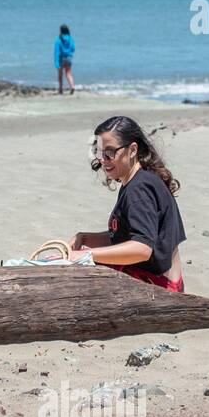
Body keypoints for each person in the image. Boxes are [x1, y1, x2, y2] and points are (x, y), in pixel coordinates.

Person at [69, 115, 186, 292]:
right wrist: (85, 238)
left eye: (109, 153)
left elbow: (142, 248)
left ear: (132, 150)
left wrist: (83, 255)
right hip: (167, 284)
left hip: (160, 290)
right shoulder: (139, 180)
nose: (103, 160)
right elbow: (124, 235)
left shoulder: (139, 189)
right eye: (99, 153)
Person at [55, 24, 76, 95]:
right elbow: (73, 48)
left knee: (60, 74)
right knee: (68, 73)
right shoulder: (71, 39)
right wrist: (69, 53)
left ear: (60, 31)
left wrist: (56, 63)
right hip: (68, 58)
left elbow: (57, 52)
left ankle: (60, 89)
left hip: (61, 58)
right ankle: (72, 86)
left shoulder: (59, 40)